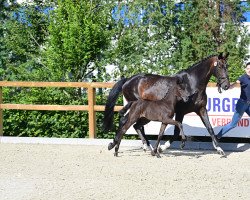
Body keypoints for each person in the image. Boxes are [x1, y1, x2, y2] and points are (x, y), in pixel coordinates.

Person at [216, 62, 250, 139]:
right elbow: (234, 85)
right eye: (248, 68)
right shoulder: (243, 78)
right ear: (245, 69)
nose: (249, 70)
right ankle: (217, 136)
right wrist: (226, 86)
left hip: (249, 105)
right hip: (242, 104)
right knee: (233, 124)